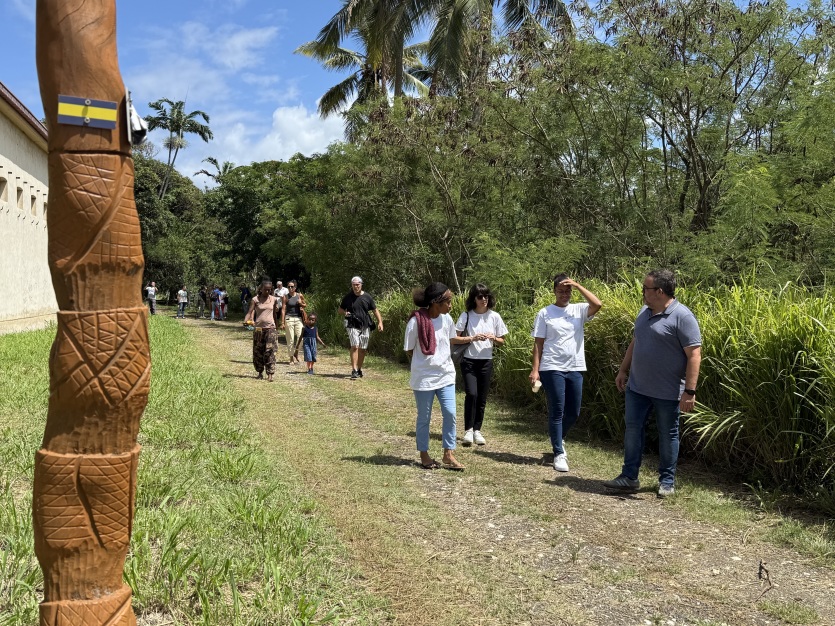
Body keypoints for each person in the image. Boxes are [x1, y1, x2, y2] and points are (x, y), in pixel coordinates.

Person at [603, 269, 702, 497]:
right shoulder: (644, 311)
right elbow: (636, 341)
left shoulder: (683, 317)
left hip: (667, 392)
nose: (642, 292)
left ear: (659, 291)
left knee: (668, 434)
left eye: (645, 288)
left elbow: (694, 355)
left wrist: (689, 391)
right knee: (633, 431)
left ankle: (666, 481)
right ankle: (629, 477)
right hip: (637, 388)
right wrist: (623, 370)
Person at [530, 274, 602, 473]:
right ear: (554, 291)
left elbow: (597, 304)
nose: (564, 294)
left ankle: (558, 437)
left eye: (567, 291)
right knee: (557, 410)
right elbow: (538, 343)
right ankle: (558, 453)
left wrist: (578, 285)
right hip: (552, 367)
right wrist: (535, 370)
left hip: (576, 366)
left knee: (574, 412)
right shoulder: (545, 313)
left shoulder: (578, 309)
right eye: (561, 291)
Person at [404, 282, 468, 471]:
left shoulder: (447, 319)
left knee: (450, 413)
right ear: (435, 302)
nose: (451, 306)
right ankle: (424, 455)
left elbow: (451, 339)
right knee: (424, 417)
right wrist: (424, 363)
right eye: (448, 302)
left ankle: (449, 453)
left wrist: (471, 338)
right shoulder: (415, 322)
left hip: (446, 375)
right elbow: (409, 349)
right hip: (424, 378)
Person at [456, 283, 508, 447]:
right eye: (480, 296)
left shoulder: (495, 316)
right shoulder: (466, 316)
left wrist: (494, 338)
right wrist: (472, 338)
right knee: (472, 394)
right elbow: (454, 338)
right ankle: (468, 430)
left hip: (486, 361)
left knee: (482, 397)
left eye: (486, 296)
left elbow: (502, 341)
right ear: (474, 299)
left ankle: (477, 430)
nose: (484, 299)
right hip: (469, 360)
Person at [338, 276, 384, 379]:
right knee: (355, 346)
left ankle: (359, 369)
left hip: (365, 325)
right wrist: (345, 313)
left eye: (357, 284)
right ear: (352, 285)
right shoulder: (348, 297)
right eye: (354, 285)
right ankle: (354, 370)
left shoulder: (367, 297)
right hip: (352, 324)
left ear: (361, 285)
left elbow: (375, 310)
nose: (356, 286)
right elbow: (340, 310)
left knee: (363, 349)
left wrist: (380, 322)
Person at [244, 280, 281, 382]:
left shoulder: (273, 299)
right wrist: (246, 321)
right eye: (265, 290)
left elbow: (274, 314)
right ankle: (259, 372)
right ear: (261, 289)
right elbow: (250, 312)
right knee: (258, 351)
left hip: (271, 329)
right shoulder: (255, 300)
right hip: (259, 329)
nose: (267, 291)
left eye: (269, 290)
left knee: (270, 351)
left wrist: (277, 327)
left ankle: (270, 374)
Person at [280, 280, 307, 364]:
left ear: (295, 287)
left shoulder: (299, 295)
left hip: (298, 318)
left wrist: (301, 303)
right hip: (289, 318)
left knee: (301, 337)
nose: (290, 288)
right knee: (290, 339)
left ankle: (296, 353)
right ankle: (291, 358)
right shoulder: (285, 297)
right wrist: (282, 322)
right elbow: (283, 309)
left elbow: (305, 304)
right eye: (288, 287)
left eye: (292, 286)